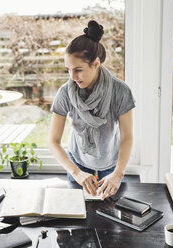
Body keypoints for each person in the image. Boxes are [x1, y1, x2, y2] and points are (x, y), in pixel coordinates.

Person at [48, 20, 135, 200]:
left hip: (112, 164)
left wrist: (118, 174)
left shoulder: (120, 91)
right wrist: (77, 173)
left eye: (78, 70)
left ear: (96, 63)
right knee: (78, 218)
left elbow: (127, 137)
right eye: (69, 70)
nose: (72, 77)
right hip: (77, 164)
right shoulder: (65, 93)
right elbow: (53, 141)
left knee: (110, 217)